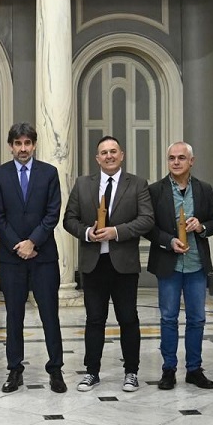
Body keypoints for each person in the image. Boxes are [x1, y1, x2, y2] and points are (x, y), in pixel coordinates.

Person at [63, 136, 154, 393]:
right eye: (104, 152)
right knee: (94, 320)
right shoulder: (82, 185)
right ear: (97, 158)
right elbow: (69, 220)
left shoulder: (137, 184)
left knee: (128, 319)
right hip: (93, 264)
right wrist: (86, 233)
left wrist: (117, 231)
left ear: (122, 155)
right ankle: (91, 372)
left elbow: (146, 219)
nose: (109, 156)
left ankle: (131, 372)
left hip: (124, 264)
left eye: (113, 151)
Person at [0, 123, 66, 394]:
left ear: (34, 145)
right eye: (18, 143)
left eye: (27, 143)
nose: (23, 148)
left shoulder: (49, 173)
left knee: (49, 315)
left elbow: (52, 214)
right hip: (12, 259)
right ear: (11, 145)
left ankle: (55, 369)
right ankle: (14, 369)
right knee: (14, 316)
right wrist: (17, 245)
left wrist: (32, 242)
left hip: (43, 256)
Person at [146, 142, 213, 391]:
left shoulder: (204, 189)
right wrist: (168, 241)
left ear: (192, 161)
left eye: (181, 158)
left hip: (197, 265)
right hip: (169, 264)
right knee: (168, 318)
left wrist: (201, 226)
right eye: (171, 158)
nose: (176, 162)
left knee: (197, 319)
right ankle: (168, 369)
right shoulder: (155, 191)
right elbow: (148, 226)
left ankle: (194, 369)